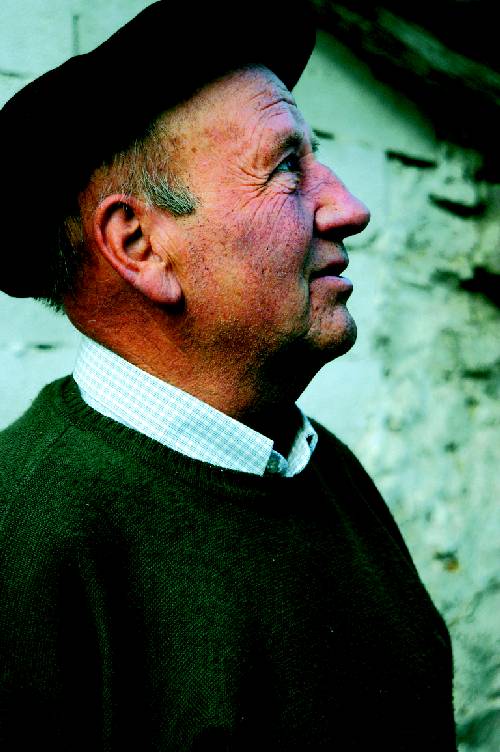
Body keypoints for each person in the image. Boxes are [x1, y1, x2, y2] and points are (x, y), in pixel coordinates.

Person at [0, 2, 457, 749]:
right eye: (286, 169)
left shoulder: (324, 469)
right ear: (139, 245)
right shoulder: (25, 546)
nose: (350, 208)